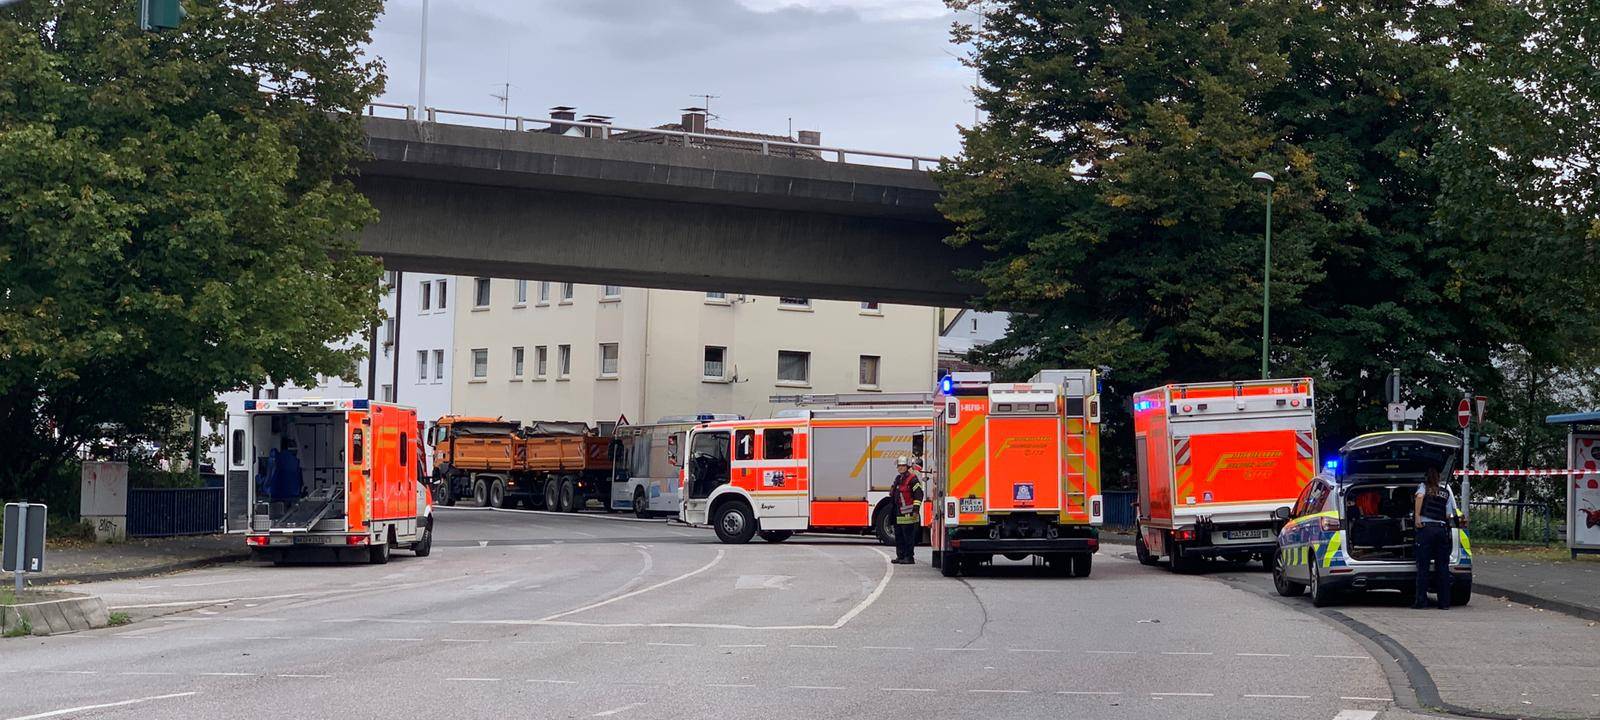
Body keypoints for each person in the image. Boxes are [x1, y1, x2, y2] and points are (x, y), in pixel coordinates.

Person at [1412, 467, 1459, 609]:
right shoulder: (1445, 493)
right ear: (1438, 478)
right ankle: (1444, 603)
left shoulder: (1423, 487)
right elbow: (1448, 514)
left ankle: (1421, 602)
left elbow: (1419, 497)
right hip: (1440, 530)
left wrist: (1417, 517)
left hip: (1426, 530)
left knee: (1423, 566)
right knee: (1442, 567)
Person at [889, 455, 924, 565]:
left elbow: (919, 494)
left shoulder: (912, 479)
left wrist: (915, 509)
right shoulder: (898, 479)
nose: (900, 468)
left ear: (907, 466)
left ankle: (909, 557)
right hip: (898, 512)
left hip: (908, 513)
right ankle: (900, 556)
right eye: (899, 466)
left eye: (903, 466)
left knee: (908, 537)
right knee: (899, 536)